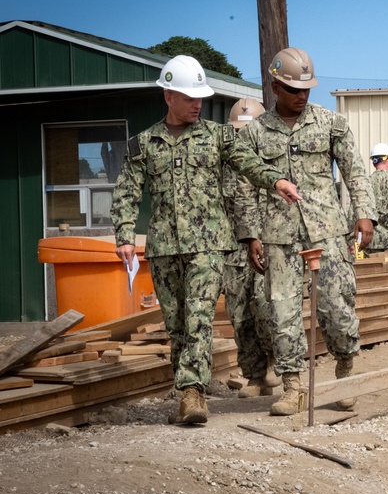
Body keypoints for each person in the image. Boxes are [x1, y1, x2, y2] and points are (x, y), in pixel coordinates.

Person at [112, 55, 301, 425]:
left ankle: (193, 394)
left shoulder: (219, 136)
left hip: (209, 245)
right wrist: (124, 235)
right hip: (165, 248)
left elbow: (249, 163)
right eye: (189, 97)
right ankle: (186, 390)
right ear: (168, 96)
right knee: (178, 325)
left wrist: (276, 180)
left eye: (201, 97)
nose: (198, 103)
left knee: (198, 317)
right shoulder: (145, 144)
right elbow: (126, 192)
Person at [233, 47, 375, 416]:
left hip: (326, 232)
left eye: (307, 90)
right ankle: (293, 387)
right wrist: (250, 235)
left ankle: (345, 372)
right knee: (282, 314)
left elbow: (355, 170)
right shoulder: (255, 134)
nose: (302, 96)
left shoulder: (331, 123)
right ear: (275, 86)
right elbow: (244, 187)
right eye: (294, 89)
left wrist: (365, 214)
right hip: (277, 237)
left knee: (337, 309)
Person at [222, 98, 280, 398]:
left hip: (268, 243)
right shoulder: (225, 162)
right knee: (239, 312)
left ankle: (274, 364)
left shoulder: (272, 159)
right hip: (233, 247)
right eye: (238, 130)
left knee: (265, 305)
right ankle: (255, 376)